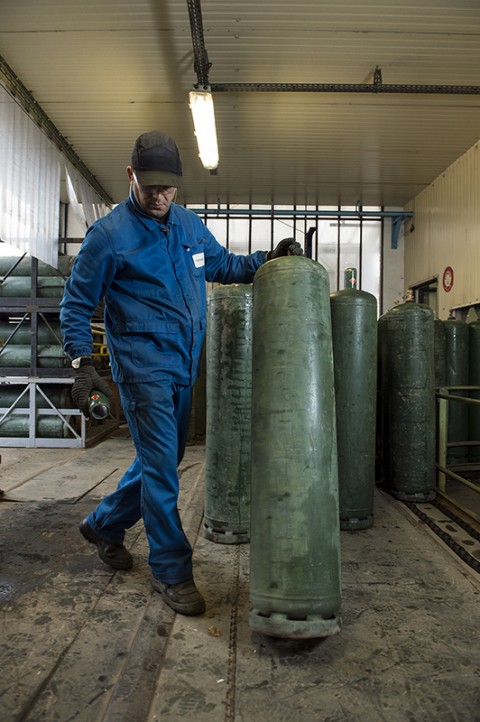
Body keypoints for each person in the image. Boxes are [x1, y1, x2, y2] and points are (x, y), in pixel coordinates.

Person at [60, 130, 303, 616]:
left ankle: (105, 525)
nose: (159, 196)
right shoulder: (108, 236)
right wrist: (81, 362)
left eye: (168, 187)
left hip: (183, 365)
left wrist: (267, 260)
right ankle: (172, 571)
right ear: (131, 176)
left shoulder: (189, 227)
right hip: (142, 369)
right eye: (150, 186)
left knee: (160, 464)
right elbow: (76, 303)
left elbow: (223, 265)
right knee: (163, 472)